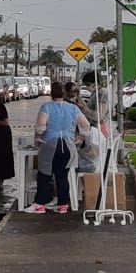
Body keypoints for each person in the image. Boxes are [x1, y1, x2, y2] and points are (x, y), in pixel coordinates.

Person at [28, 81, 90, 214]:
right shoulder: (73, 108)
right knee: (62, 176)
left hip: (50, 144)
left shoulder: (46, 107)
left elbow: (41, 126)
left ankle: (40, 204)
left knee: (45, 174)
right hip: (68, 145)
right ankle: (62, 205)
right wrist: (80, 138)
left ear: (51, 94)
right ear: (65, 94)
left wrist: (38, 138)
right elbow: (85, 125)